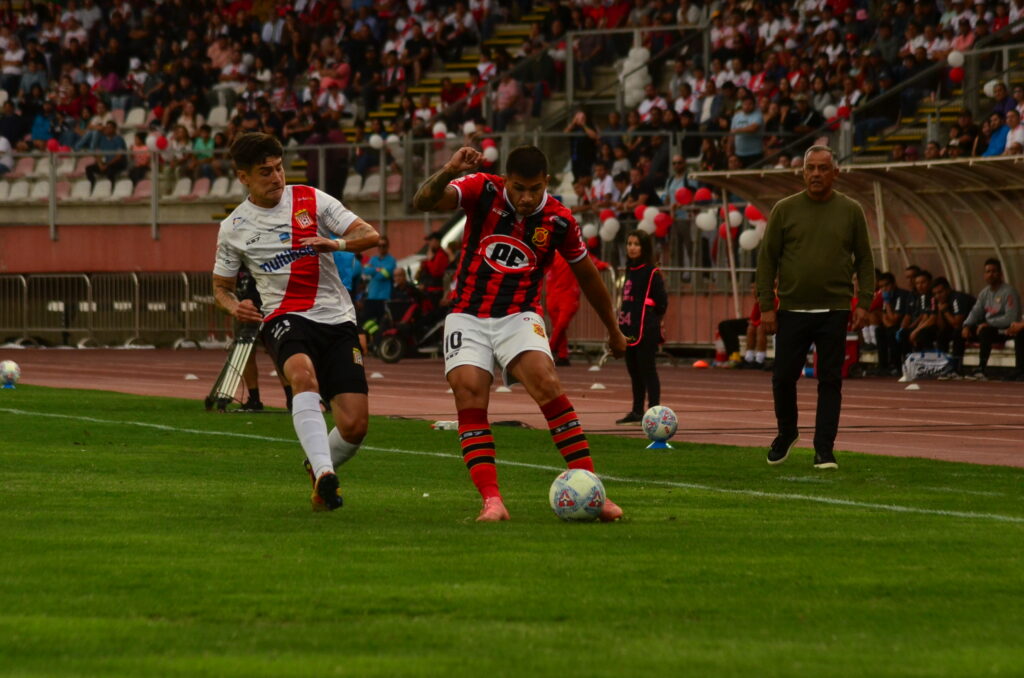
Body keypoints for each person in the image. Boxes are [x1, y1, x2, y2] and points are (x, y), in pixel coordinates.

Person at [412, 145, 627, 522]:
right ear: (506, 180)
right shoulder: (483, 189)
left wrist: (613, 329)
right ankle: (492, 501)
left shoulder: (559, 219)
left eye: (534, 188)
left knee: (546, 383)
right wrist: (449, 169)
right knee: (469, 394)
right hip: (467, 313)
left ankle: (594, 490)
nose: (526, 197)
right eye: (518, 188)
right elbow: (423, 201)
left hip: (519, 313)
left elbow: (588, 276)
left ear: (547, 182)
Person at [212, 132, 380, 512]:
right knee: (303, 376)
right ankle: (324, 473)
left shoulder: (312, 199)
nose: (277, 178)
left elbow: (370, 234)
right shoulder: (234, 227)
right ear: (244, 178)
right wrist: (233, 306)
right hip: (285, 317)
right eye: (265, 172)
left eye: (279, 168)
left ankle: (317, 466)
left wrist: (333, 244)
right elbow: (220, 288)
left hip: (337, 319)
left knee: (355, 426)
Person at [756, 145, 875, 470]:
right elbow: (767, 260)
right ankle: (787, 433)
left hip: (835, 310)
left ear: (835, 173)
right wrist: (767, 305)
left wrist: (864, 301)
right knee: (782, 377)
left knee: (830, 380)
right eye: (811, 168)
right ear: (803, 172)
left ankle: (824, 449)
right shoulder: (785, 209)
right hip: (792, 309)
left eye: (823, 168)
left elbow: (865, 259)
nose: (817, 174)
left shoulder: (850, 211)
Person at [616, 229, 667, 425]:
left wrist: (651, 318)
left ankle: (654, 411)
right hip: (629, 327)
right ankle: (637, 410)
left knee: (648, 370)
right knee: (634, 371)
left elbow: (662, 301)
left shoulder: (652, 272)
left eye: (636, 244)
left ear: (644, 248)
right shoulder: (630, 270)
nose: (632, 248)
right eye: (629, 244)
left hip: (646, 328)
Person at [961, 258, 1023, 380]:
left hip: (1005, 330)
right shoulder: (984, 293)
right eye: (988, 272)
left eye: (994, 271)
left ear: (1000, 274)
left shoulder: (1009, 292)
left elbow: (1011, 318)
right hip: (989, 327)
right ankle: (955, 367)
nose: (991, 274)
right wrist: (966, 325)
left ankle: (982, 368)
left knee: (985, 332)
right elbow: (976, 311)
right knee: (960, 332)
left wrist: (989, 323)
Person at [930, 276, 974, 374]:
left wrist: (945, 310)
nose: (938, 296)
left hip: (973, 327)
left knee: (958, 333)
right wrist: (941, 311)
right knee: (941, 334)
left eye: (940, 292)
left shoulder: (956, 298)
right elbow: (941, 326)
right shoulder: (941, 302)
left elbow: (957, 324)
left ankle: (956, 368)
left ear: (948, 289)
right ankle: (942, 366)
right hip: (959, 328)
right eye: (935, 294)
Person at [363, 234, 396, 327]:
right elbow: (365, 270)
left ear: (388, 246)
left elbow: (383, 276)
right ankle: (372, 339)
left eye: (384, 245)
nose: (381, 248)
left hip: (384, 297)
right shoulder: (373, 259)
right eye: (379, 245)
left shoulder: (391, 260)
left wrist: (373, 269)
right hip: (372, 296)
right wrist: (379, 269)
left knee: (383, 322)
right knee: (367, 322)